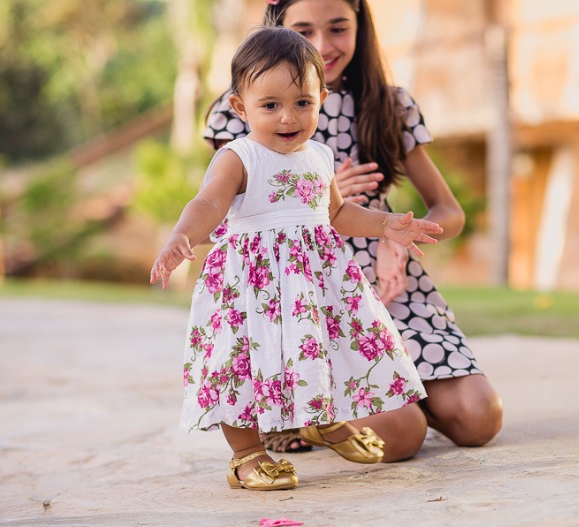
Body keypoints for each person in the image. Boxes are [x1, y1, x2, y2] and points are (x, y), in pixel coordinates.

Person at [203, 0, 504, 458]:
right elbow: (230, 212)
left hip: (392, 288)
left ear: (360, 27)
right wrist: (315, 193)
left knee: (480, 418)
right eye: (304, 30)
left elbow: (448, 211)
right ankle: (327, 405)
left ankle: (385, 392)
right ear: (281, 31)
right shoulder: (243, 107)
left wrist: (397, 236)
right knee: (400, 437)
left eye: (339, 28)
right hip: (304, 291)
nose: (324, 45)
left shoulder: (390, 104)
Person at [150, 26, 442, 492]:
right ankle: (246, 455)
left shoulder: (319, 157)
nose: (288, 117)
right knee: (242, 364)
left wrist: (387, 225)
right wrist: (183, 235)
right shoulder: (239, 157)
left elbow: (338, 213)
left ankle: (323, 420)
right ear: (241, 108)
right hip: (253, 288)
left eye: (302, 102)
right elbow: (208, 204)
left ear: (321, 98)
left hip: (313, 285)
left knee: (323, 350)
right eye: (270, 106)